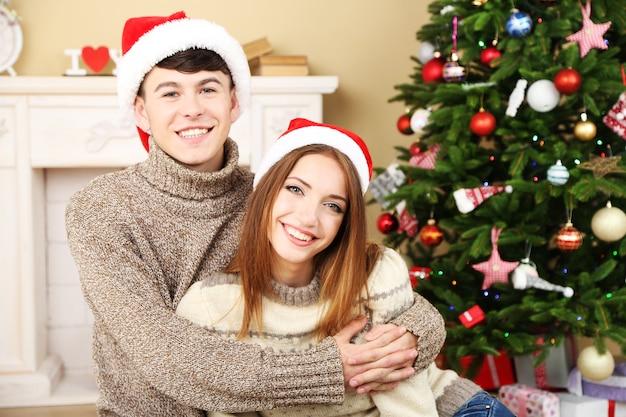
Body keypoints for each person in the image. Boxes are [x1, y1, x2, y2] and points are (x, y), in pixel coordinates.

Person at [65, 11, 447, 416]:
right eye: (170, 93)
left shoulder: (274, 199)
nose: (192, 109)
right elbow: (160, 350)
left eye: (207, 89)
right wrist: (327, 369)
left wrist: (415, 334)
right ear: (141, 111)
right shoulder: (100, 209)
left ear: (233, 102)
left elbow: (360, 267)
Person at [177, 118, 517, 417]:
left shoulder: (377, 273)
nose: (308, 218)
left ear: (345, 222)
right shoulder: (210, 306)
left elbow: (405, 396)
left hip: (448, 408)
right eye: (295, 189)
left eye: (333, 206)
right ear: (266, 191)